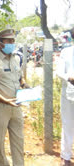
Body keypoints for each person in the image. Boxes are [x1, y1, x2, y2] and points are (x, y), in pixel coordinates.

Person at [0, 28, 28, 166]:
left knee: (18, 141)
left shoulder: (15, 58)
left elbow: (20, 77)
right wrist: (4, 99)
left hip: (16, 106)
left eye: (13, 41)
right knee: (0, 142)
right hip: (0, 107)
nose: (12, 43)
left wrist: (25, 85)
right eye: (8, 41)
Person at [56, 27, 74, 166]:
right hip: (70, 93)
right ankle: (66, 157)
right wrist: (70, 77)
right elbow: (59, 71)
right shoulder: (66, 52)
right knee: (68, 125)